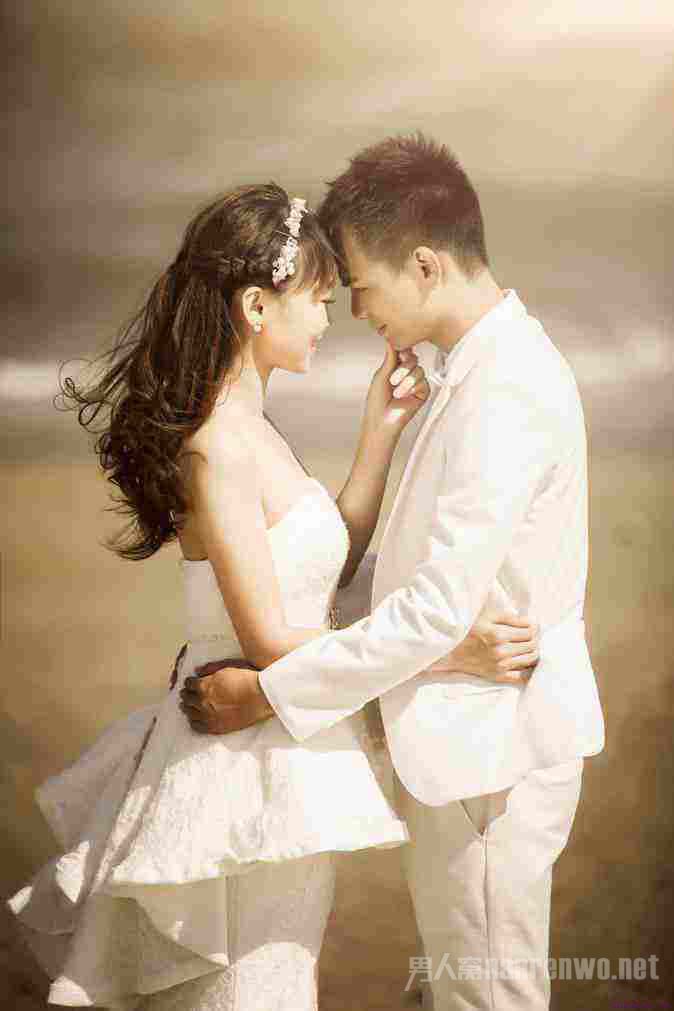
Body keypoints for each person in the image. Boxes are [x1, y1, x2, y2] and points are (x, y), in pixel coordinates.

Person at [6, 182, 539, 1011]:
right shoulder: (218, 447)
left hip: (282, 752)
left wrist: (379, 432)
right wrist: (449, 651)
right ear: (257, 306)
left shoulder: (253, 430)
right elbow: (265, 640)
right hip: (237, 766)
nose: (332, 317)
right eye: (319, 298)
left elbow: (323, 565)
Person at [180, 136, 606, 1010]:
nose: (354, 308)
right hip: (466, 745)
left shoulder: (505, 389)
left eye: (362, 284)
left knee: (488, 994)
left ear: (424, 265)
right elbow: (412, 577)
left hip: (492, 753)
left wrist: (267, 692)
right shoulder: (476, 372)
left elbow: (433, 610)